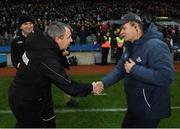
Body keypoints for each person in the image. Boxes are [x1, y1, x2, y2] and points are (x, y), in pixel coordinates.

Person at [93, 12, 174, 128]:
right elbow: (121, 69)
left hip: (149, 110)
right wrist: (103, 83)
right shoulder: (131, 45)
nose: (121, 33)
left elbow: (166, 76)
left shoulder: (155, 45)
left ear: (135, 27)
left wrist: (134, 69)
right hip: (135, 107)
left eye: (124, 28)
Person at [8, 21, 94, 128]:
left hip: (23, 96)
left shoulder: (39, 43)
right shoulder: (47, 59)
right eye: (69, 37)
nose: (71, 40)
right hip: (27, 102)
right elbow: (70, 86)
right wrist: (92, 87)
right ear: (58, 39)